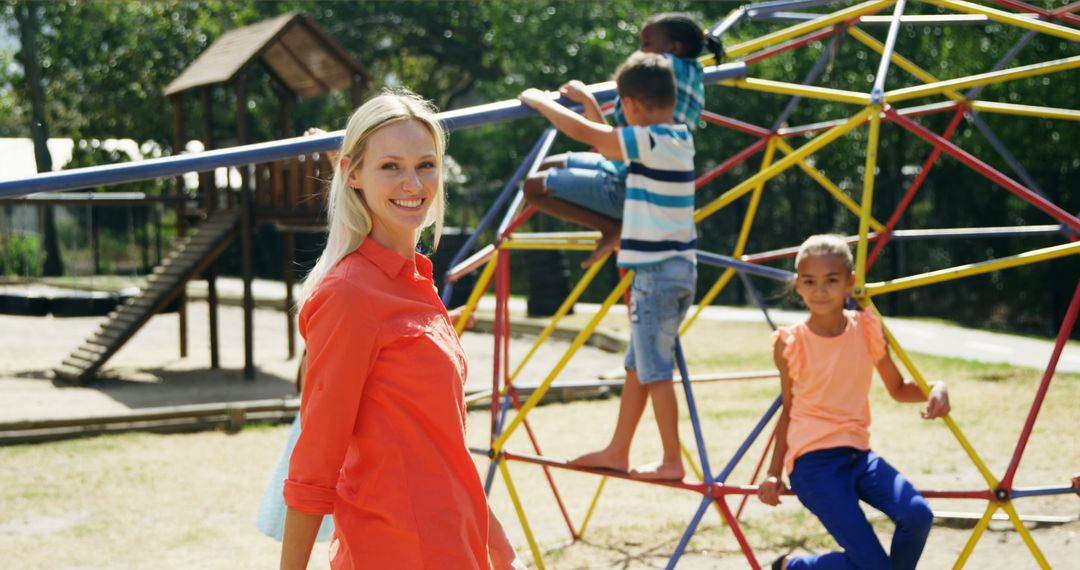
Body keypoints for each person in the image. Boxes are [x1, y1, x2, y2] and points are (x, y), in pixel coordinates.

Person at [280, 91, 523, 570]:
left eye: (426, 165)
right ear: (352, 173)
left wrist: (499, 550)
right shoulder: (350, 294)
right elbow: (315, 462)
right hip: (395, 549)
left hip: (455, 543)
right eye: (390, 166)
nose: (413, 183)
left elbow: (442, 446)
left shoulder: (415, 279)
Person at [519, 50, 697, 481]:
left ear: (632, 106)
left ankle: (672, 460)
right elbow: (611, 145)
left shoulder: (654, 140)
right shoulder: (675, 139)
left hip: (657, 276)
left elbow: (592, 136)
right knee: (639, 366)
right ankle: (618, 449)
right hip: (667, 271)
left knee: (655, 370)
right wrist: (593, 106)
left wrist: (542, 102)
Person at [757, 234, 951, 570]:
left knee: (917, 515)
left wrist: (937, 387)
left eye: (831, 280)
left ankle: (795, 568)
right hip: (813, 466)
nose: (820, 290)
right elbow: (789, 409)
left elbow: (899, 387)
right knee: (874, 566)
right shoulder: (791, 343)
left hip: (859, 456)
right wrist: (774, 473)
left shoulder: (866, 328)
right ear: (798, 286)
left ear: (850, 282)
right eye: (810, 281)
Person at [522, 12, 706, 268]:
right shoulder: (674, 128)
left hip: (632, 189)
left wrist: (540, 101)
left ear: (672, 49)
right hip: (626, 169)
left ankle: (612, 227)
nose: (640, 53)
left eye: (646, 45)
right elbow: (608, 145)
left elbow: (587, 134)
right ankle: (612, 227)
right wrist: (588, 100)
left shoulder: (663, 76)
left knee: (533, 186)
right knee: (544, 170)